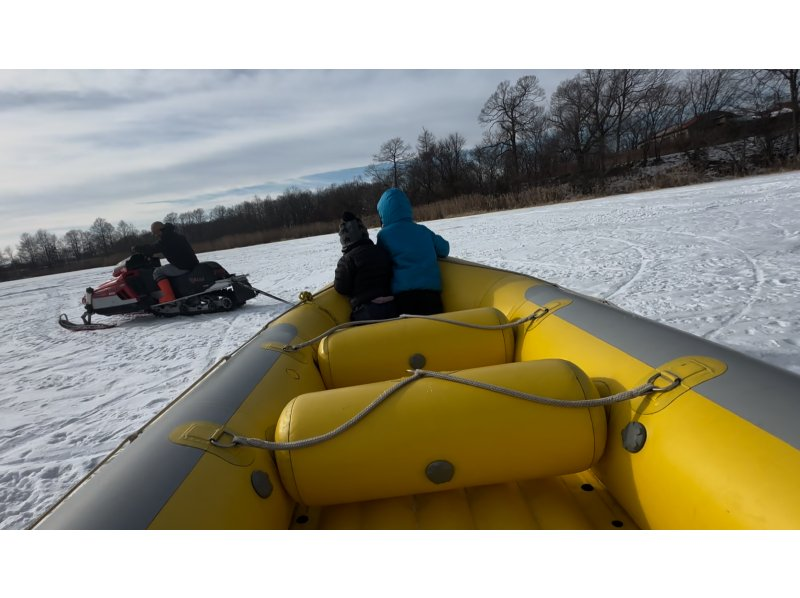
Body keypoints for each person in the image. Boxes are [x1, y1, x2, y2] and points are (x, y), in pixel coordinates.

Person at [375, 188, 450, 315]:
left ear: (383, 214)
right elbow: (444, 249)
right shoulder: (423, 230)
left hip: (403, 298)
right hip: (432, 295)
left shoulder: (384, 235)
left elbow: (381, 262)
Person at [333, 211, 397, 321]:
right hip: (393, 305)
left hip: (367, 311)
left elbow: (341, 287)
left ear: (344, 239)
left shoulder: (347, 260)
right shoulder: (381, 251)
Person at [133, 221, 199, 303]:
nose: (156, 235)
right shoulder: (175, 236)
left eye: (155, 233)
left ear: (160, 230)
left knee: (157, 272)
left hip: (183, 266)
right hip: (191, 264)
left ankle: (168, 297)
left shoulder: (166, 239)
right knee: (165, 268)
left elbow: (153, 248)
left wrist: (138, 248)